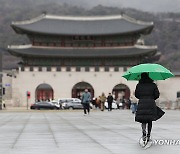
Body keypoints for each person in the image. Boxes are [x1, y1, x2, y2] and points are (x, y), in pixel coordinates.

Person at [135, 72, 164, 143]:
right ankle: (148, 134)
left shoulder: (139, 85)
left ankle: (143, 132)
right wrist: (152, 97)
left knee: (143, 119)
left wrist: (142, 97)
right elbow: (157, 95)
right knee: (149, 119)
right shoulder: (153, 85)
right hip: (151, 103)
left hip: (142, 103)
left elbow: (136, 94)